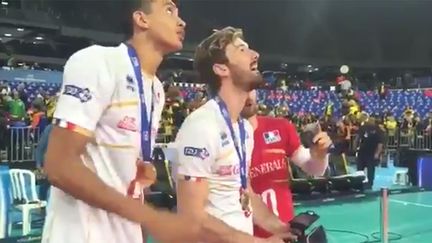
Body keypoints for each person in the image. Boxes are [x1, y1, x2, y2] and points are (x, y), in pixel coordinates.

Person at [41, 1, 201, 243]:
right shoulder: (97, 61)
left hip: (126, 232)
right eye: (169, 10)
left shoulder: (156, 89)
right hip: (82, 233)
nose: (182, 21)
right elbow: (59, 166)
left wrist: (137, 171)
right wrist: (153, 218)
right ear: (141, 19)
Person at [175, 27, 295, 243]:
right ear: (222, 68)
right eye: (242, 50)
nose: (255, 55)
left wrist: (282, 228)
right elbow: (192, 216)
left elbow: (244, 190)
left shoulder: (244, 130)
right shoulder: (201, 126)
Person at [241, 90, 332, 238]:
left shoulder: (280, 127)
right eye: (241, 88)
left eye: (251, 88)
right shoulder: (219, 138)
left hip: (286, 232)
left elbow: (314, 169)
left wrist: (320, 155)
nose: (248, 95)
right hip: (244, 235)